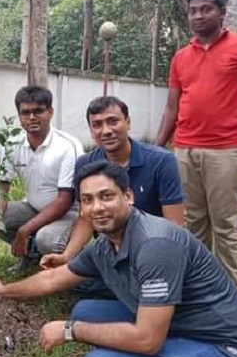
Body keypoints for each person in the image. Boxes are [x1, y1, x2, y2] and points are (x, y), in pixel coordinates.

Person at [0, 161, 237, 357]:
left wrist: (71, 330)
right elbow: (52, 279)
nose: (97, 207)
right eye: (87, 200)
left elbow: (148, 341)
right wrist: (3, 290)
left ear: (128, 196)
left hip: (226, 351)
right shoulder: (107, 243)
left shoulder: (154, 244)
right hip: (177, 324)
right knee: (86, 310)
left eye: (106, 196)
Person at [156, 0, 237, 288]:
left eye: (205, 9)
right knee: (192, 224)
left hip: (226, 149)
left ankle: (231, 293)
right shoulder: (181, 57)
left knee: (225, 224)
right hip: (184, 149)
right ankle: (199, 287)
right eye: (193, 11)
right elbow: (171, 108)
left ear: (222, 13)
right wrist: (156, 149)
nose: (198, 16)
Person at [41, 96, 184, 270]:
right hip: (110, 246)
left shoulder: (161, 161)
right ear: (91, 131)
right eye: (97, 125)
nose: (106, 131)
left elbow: (174, 225)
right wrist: (66, 256)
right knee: (73, 279)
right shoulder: (85, 164)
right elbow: (86, 218)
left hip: (153, 245)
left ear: (128, 122)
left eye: (113, 121)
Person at [0, 85, 83, 273]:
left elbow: (65, 200)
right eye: (25, 113)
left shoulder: (68, 146)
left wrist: (25, 230)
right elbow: (2, 188)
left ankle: (68, 266)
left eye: (38, 111)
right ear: (19, 116)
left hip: (69, 213)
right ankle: (30, 255)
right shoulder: (10, 144)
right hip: (33, 207)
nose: (32, 117)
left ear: (50, 112)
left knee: (47, 239)